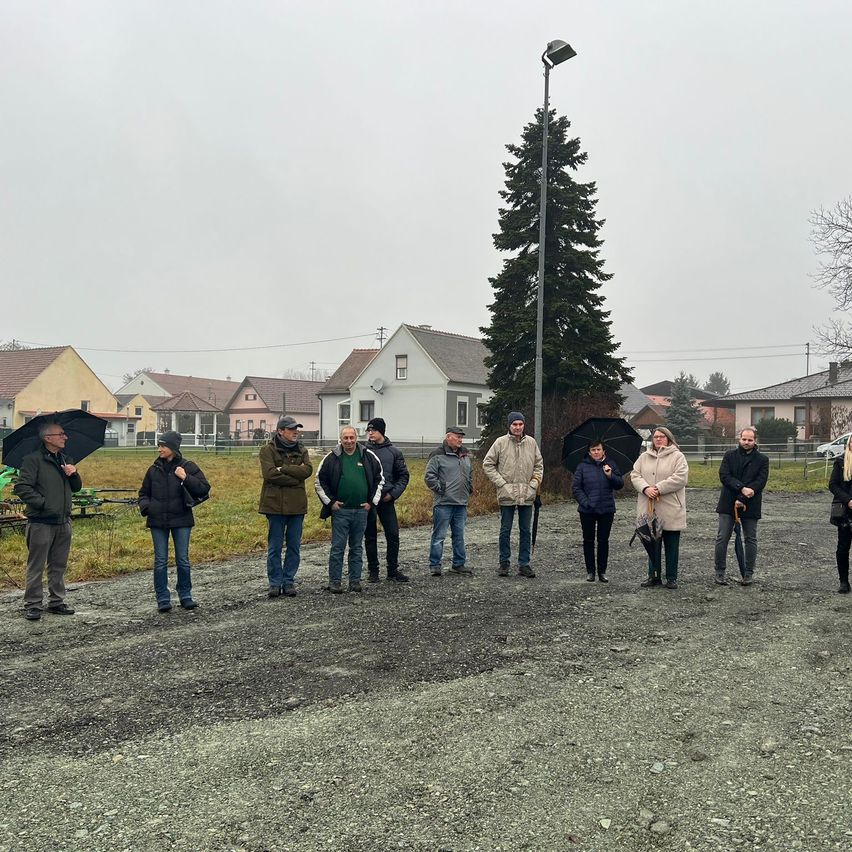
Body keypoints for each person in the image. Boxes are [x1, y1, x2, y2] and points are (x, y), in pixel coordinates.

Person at [14, 422, 83, 620]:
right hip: (41, 522)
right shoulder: (32, 460)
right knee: (36, 565)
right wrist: (44, 504)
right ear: (48, 438)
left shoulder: (65, 459)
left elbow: (76, 488)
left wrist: (74, 474)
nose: (65, 437)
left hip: (63, 521)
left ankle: (57, 602)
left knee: (59, 564)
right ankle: (33, 604)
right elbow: (22, 487)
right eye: (61, 434)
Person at [138, 431, 210, 612]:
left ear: (173, 448)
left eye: (163, 446)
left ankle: (185, 595)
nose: (159, 449)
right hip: (157, 520)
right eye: (159, 446)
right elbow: (143, 493)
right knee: (160, 561)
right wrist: (147, 507)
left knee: (183, 560)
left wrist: (186, 477)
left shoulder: (188, 466)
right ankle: (163, 598)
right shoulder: (153, 469)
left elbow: (203, 489)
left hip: (182, 519)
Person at [315, 425, 384, 593]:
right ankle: (335, 582)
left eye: (351, 437)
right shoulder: (331, 458)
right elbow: (319, 481)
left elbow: (379, 479)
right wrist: (331, 503)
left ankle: (355, 581)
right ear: (341, 439)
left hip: (362, 511)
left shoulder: (368, 456)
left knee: (357, 547)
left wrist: (371, 503)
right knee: (337, 547)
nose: (349, 441)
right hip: (341, 512)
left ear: (356, 438)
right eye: (345, 438)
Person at [482, 411, 543, 578]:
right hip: (507, 494)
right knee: (505, 529)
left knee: (525, 530)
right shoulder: (500, 442)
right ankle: (504, 563)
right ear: (509, 425)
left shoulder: (531, 443)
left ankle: (524, 564)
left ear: (524, 425)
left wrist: (533, 484)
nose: (517, 427)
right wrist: (501, 483)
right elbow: (488, 464)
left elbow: (539, 465)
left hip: (527, 494)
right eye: (515, 424)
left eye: (520, 424)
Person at [258, 415, 313, 598]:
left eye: (296, 428)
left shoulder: (302, 450)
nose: (295, 431)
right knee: (274, 546)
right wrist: (295, 477)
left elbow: (307, 471)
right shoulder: (267, 450)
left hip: (297, 506)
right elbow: (270, 474)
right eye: (291, 429)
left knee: (294, 546)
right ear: (280, 431)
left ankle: (288, 581)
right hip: (274, 505)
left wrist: (284, 469)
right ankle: (275, 583)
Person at [630, 426, 689, 589]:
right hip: (649, 508)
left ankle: (671, 577)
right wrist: (645, 488)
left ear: (668, 439)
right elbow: (635, 475)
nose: (658, 439)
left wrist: (658, 488)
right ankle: (654, 576)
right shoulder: (644, 457)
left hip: (670, 508)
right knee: (651, 543)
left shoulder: (678, 456)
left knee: (671, 545)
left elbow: (680, 478)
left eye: (662, 436)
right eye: (655, 436)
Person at [713, 427, 769, 586]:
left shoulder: (762, 460)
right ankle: (719, 571)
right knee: (722, 537)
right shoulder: (729, 456)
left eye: (750, 440)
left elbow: (760, 481)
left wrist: (743, 497)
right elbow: (724, 475)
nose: (746, 442)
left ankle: (748, 573)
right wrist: (741, 489)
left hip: (751, 503)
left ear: (755, 441)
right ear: (740, 439)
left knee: (750, 538)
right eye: (744, 439)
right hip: (727, 503)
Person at [364, 417, 410, 583]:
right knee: (370, 537)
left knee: (393, 535)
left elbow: (403, 476)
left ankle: (392, 570)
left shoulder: (394, 452)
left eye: (373, 430)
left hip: (386, 499)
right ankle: (373, 571)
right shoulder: (363, 451)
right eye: (369, 430)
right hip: (369, 501)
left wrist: (393, 494)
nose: (370, 433)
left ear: (381, 432)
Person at [571, 440, 624, 583]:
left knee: (603, 541)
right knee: (588, 541)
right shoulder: (582, 467)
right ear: (589, 452)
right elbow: (576, 488)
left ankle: (602, 571)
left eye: (598, 449)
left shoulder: (610, 464)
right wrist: (586, 503)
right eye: (593, 450)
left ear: (603, 451)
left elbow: (619, 484)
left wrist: (610, 475)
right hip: (587, 510)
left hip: (606, 509)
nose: (596, 452)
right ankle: (590, 572)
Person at [424, 426, 473, 576]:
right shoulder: (437, 454)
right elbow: (429, 476)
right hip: (443, 503)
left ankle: (458, 564)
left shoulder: (465, 455)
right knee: (439, 536)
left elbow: (470, 474)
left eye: (461, 437)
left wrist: (469, 488)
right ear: (448, 437)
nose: (460, 439)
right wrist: (441, 489)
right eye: (457, 436)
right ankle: (435, 565)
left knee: (459, 535)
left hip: (461, 503)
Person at [828, 442, 852, 594]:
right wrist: (848, 500)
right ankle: (843, 581)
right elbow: (833, 484)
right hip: (845, 512)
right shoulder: (841, 461)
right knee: (843, 548)